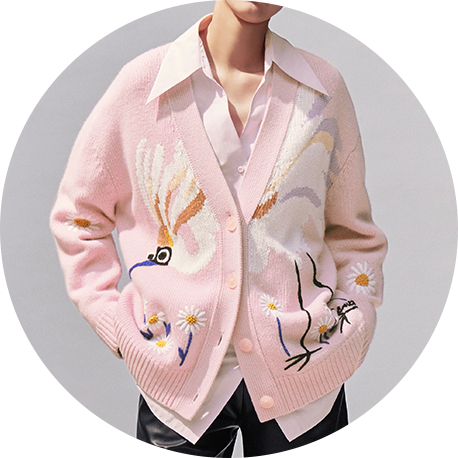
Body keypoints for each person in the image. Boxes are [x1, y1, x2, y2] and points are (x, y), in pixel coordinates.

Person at [50, 1, 388, 456]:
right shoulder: (144, 86)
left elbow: (354, 234)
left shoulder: (322, 89)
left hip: (305, 376)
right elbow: (78, 217)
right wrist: (116, 323)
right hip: (177, 381)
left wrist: (354, 321)